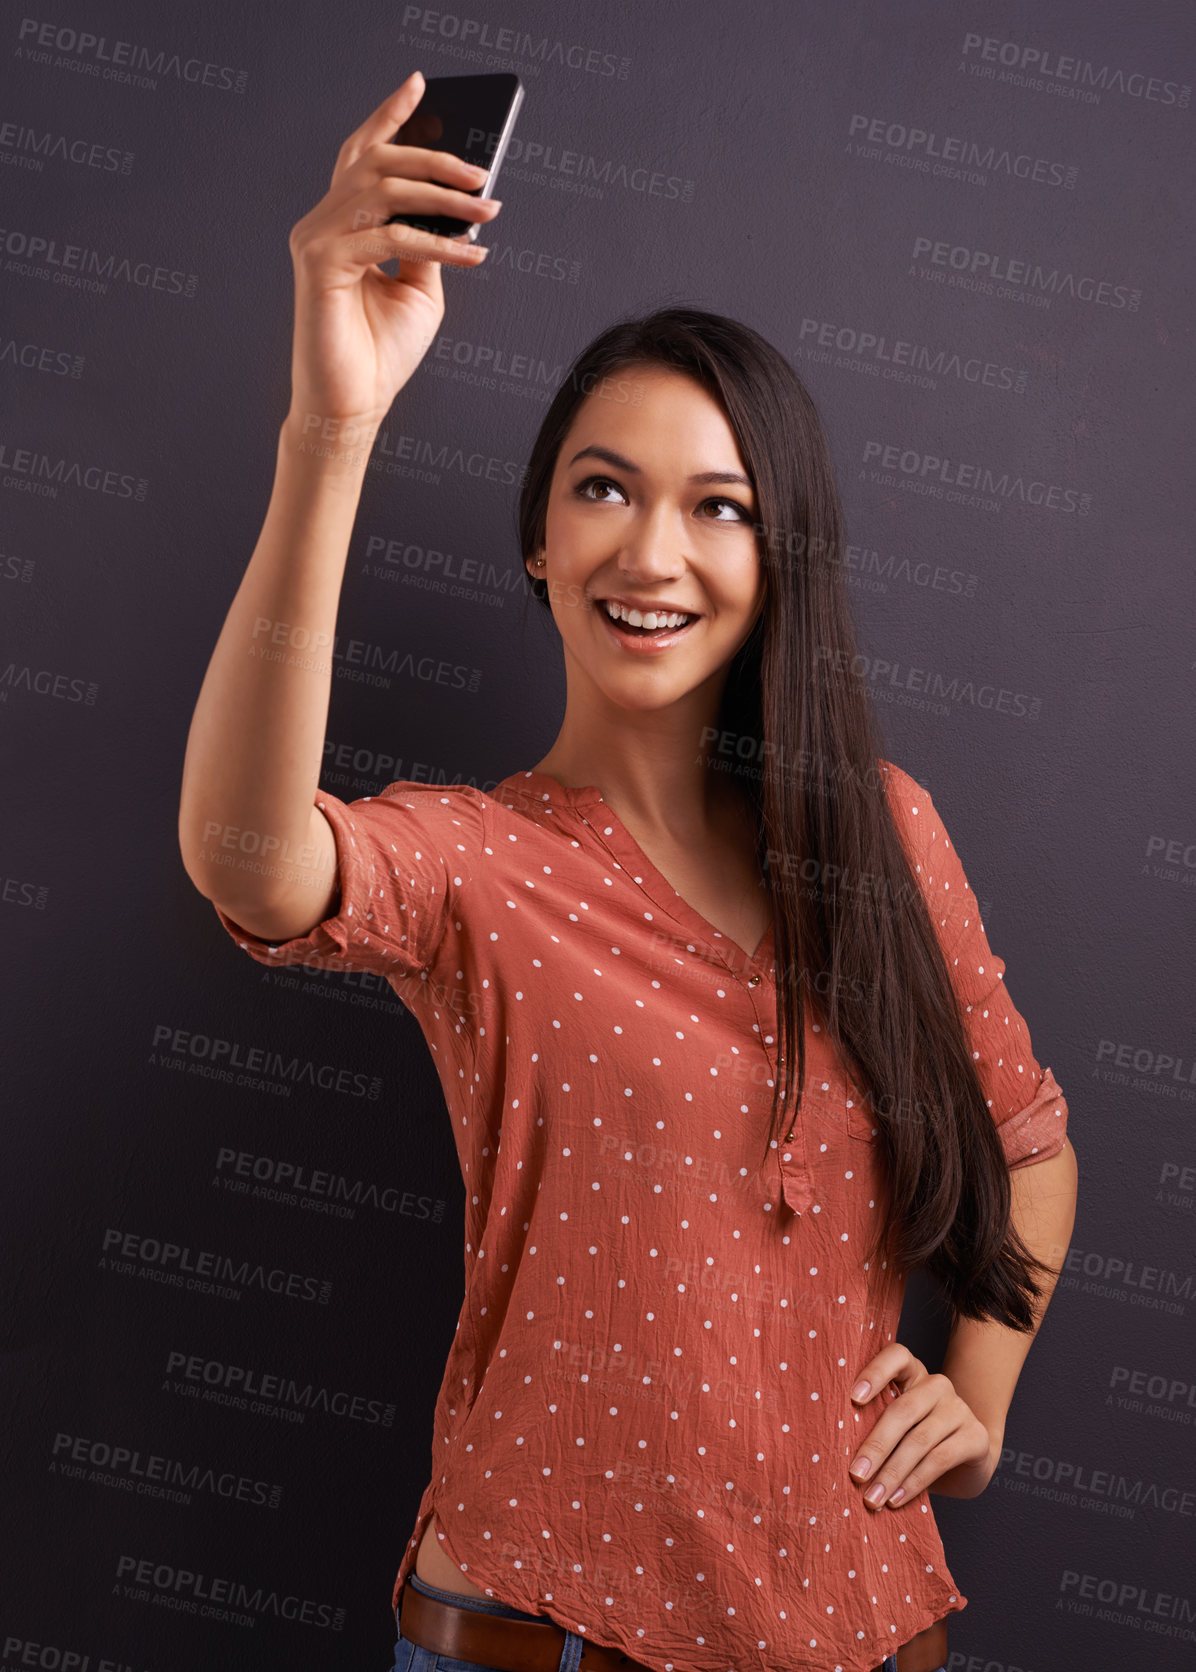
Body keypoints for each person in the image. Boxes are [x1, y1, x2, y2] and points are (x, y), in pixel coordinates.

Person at [178, 71, 1079, 1672]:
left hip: (862, 1635)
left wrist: (981, 1403)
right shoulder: (477, 862)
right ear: (539, 536)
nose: (652, 554)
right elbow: (250, 860)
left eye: (718, 508)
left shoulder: (881, 834)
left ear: (776, 555)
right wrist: (335, 423)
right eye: (604, 488)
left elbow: (1031, 1143)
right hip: (538, 1632)